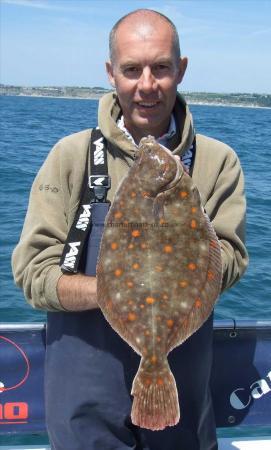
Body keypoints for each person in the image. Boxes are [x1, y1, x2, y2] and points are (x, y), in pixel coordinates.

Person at [12, 8, 248, 450]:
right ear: (110, 73)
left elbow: (231, 262)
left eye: (161, 67)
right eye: (131, 69)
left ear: (181, 70)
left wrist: (188, 226)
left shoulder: (219, 162)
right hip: (84, 395)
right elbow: (31, 275)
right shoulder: (70, 156)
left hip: (184, 383)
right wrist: (118, 290)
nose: (146, 85)